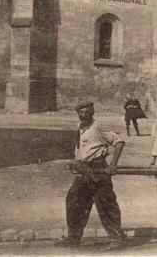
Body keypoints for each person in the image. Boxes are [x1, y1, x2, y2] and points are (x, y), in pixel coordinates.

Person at [58, 101, 126, 251]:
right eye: (81, 113)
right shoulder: (79, 127)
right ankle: (74, 238)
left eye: (88, 113)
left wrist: (113, 165)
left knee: (105, 202)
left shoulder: (98, 127)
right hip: (84, 170)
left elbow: (119, 142)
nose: (84, 116)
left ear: (92, 114)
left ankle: (115, 238)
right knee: (74, 199)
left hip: (98, 169)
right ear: (78, 114)